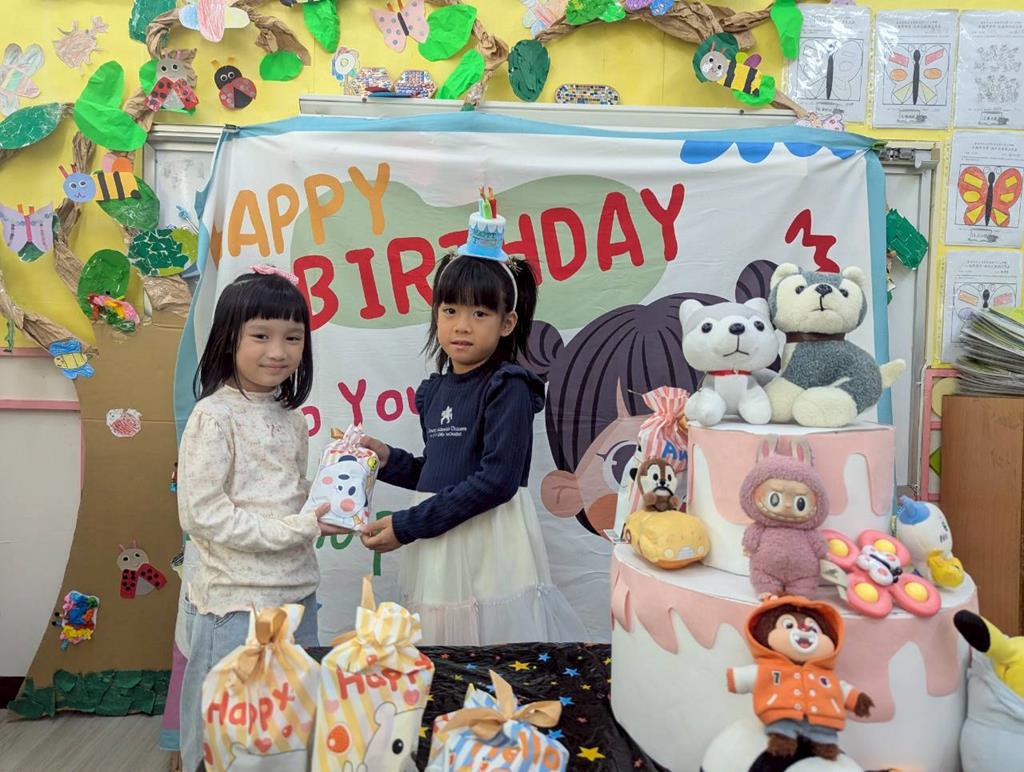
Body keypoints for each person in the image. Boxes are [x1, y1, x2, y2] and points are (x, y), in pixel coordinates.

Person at [360, 204, 587, 646]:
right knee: (442, 645)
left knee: (490, 645)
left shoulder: (509, 386)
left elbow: (496, 480)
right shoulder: (435, 390)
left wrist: (408, 525)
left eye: (480, 314)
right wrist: (387, 460)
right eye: (450, 310)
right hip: (440, 542)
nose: (462, 326)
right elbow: (441, 469)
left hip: (489, 543)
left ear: (507, 323)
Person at [176, 267, 345, 771]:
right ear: (229, 338)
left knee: (290, 727)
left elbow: (288, 498)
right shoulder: (213, 416)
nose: (279, 351)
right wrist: (301, 526)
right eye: (261, 336)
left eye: (293, 337)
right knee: (228, 735)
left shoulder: (292, 419)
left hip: (297, 595)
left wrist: (338, 492)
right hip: (236, 605)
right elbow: (203, 514)